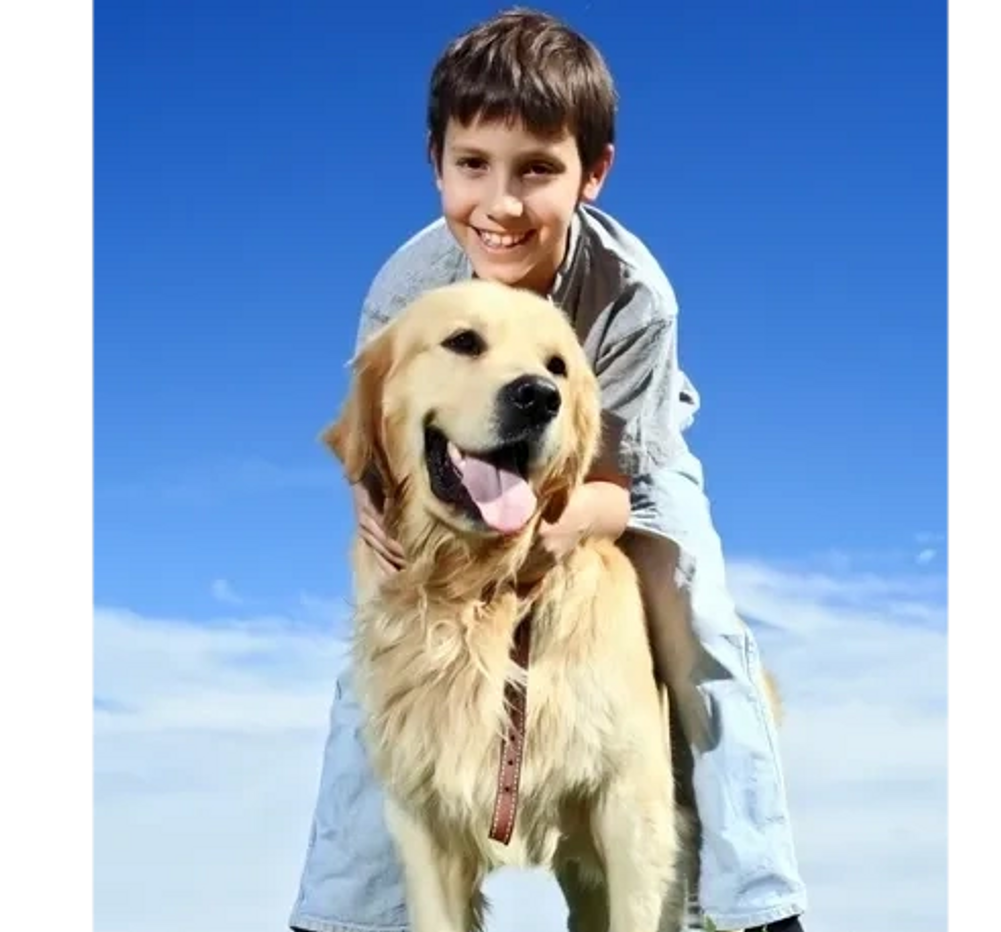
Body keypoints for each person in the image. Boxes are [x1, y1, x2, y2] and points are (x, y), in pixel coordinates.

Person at [289, 8, 809, 932]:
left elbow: (618, 480)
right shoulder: (407, 289)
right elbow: (373, 431)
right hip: (469, 470)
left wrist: (548, 528)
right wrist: (372, 508)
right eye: (473, 166)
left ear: (592, 173)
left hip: (622, 463)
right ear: (436, 163)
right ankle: (343, 914)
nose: (501, 203)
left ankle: (757, 902)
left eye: (538, 169)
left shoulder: (634, 291)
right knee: (371, 668)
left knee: (703, 631)